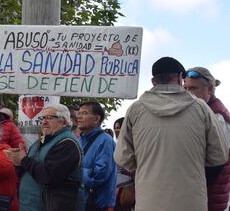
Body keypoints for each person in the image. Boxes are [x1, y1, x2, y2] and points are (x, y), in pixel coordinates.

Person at [114, 57, 228, 211]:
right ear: (181, 78)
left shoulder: (136, 110)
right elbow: (219, 156)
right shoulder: (201, 108)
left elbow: (123, 157)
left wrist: (147, 167)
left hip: (149, 200)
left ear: (153, 81)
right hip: (192, 201)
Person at [4, 103, 83, 211]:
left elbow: (49, 175)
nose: (44, 122)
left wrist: (24, 159)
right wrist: (18, 161)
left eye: (50, 118)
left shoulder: (68, 144)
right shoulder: (41, 141)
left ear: (64, 122)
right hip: (30, 205)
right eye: (43, 118)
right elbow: (29, 169)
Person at [184, 67, 230, 211]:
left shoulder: (217, 116)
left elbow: (217, 163)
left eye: (192, 88)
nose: (187, 93)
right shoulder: (203, 111)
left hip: (211, 196)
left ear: (209, 89)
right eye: (185, 88)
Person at [76, 102, 116, 210]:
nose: (79, 117)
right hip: (80, 202)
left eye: (84, 113)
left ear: (97, 119)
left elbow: (99, 174)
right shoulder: (79, 140)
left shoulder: (105, 141)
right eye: (78, 113)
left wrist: (72, 171)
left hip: (97, 204)